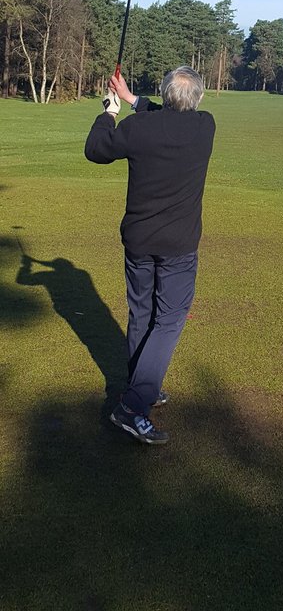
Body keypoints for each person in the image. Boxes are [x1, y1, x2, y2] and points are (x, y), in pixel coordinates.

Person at [84, 66, 215, 445]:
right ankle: (133, 406)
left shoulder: (137, 130)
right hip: (178, 246)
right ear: (199, 99)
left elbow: (96, 150)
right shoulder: (205, 127)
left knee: (142, 312)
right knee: (169, 319)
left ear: (164, 93)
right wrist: (132, 101)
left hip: (139, 241)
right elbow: (169, 116)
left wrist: (111, 110)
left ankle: (144, 386)